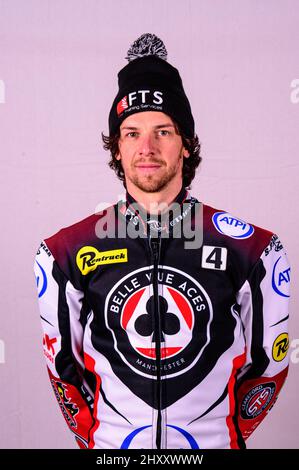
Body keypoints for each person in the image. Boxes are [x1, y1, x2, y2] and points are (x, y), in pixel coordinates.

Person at [34, 33, 291, 450]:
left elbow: (269, 365)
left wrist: (221, 438)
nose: (147, 148)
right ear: (116, 147)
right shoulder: (65, 252)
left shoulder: (254, 251)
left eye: (163, 131)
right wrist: (104, 444)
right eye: (131, 133)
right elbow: (65, 369)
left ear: (186, 144)